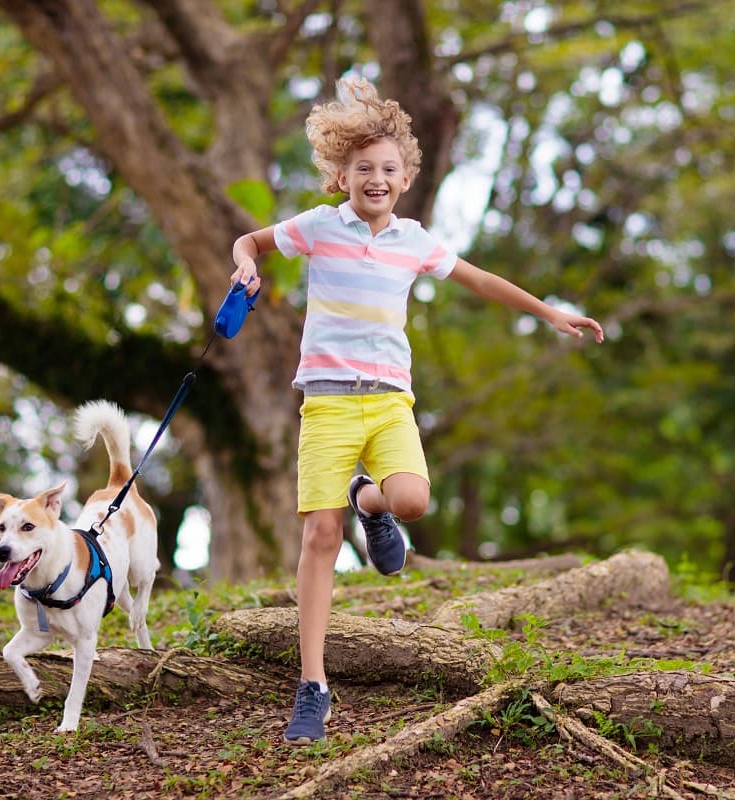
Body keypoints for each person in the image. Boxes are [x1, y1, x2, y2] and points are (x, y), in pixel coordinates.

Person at [229, 77, 604, 745]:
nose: (376, 179)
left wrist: (548, 311)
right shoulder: (316, 228)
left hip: (390, 403)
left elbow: (480, 279)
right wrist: (245, 270)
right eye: (364, 169)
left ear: (404, 180)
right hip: (326, 404)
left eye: (388, 170)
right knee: (318, 537)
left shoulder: (414, 241)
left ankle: (367, 503)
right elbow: (250, 242)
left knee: (412, 503)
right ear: (341, 175)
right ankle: (312, 685)